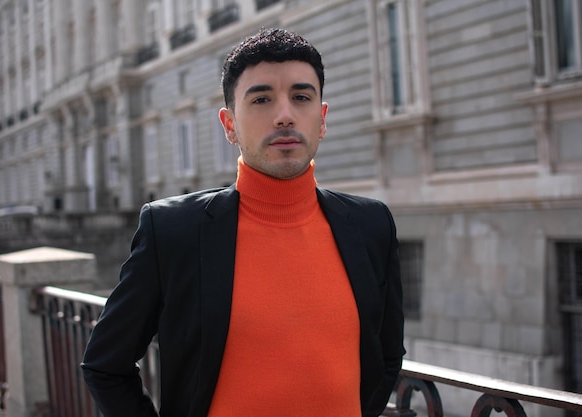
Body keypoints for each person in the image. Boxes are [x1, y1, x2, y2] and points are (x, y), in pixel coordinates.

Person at [81, 28, 405, 417]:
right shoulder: (172, 232)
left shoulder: (372, 226)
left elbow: (386, 357)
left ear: (321, 119)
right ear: (229, 125)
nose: (284, 115)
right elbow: (105, 366)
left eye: (301, 97)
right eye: (261, 99)